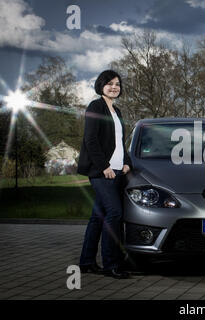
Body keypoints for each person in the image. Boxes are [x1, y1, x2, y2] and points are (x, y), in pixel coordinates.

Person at [77, 70, 132, 279]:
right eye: (109, 83)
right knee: (115, 214)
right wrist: (104, 167)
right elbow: (91, 140)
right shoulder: (95, 106)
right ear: (101, 85)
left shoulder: (117, 111)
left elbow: (119, 143)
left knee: (97, 218)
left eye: (117, 83)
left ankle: (87, 262)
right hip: (103, 172)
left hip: (117, 171)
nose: (114, 87)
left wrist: (126, 163)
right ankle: (111, 265)